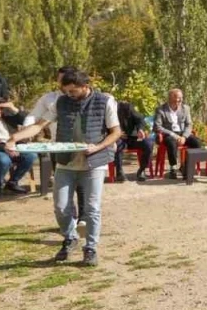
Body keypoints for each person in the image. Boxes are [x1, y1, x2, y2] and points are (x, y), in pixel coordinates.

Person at [9, 69, 123, 266]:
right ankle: (70, 237)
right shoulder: (61, 102)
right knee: (61, 207)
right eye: (66, 91)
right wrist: (14, 138)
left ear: (85, 86)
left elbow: (116, 132)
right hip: (66, 162)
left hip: (93, 162)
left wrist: (97, 147)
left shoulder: (105, 101)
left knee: (92, 208)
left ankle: (91, 248)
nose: (69, 94)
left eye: (73, 91)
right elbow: (39, 125)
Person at [153, 89, 201, 181]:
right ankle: (173, 168)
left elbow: (189, 124)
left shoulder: (185, 108)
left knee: (197, 142)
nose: (180, 100)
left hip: (182, 133)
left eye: (181, 98)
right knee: (171, 143)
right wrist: (174, 135)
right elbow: (157, 127)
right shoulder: (161, 109)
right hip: (168, 134)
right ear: (170, 98)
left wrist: (184, 137)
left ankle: (186, 167)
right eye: (177, 97)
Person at [25, 67, 72, 138]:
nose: (63, 83)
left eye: (66, 80)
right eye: (61, 80)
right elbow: (34, 116)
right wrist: (26, 129)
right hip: (58, 142)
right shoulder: (50, 99)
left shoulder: (84, 99)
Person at [113, 100, 153, 183]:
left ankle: (142, 170)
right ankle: (119, 172)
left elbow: (140, 118)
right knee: (118, 144)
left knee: (148, 144)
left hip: (133, 138)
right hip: (118, 139)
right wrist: (116, 134)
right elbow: (104, 127)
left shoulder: (126, 107)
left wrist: (140, 129)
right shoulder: (107, 110)